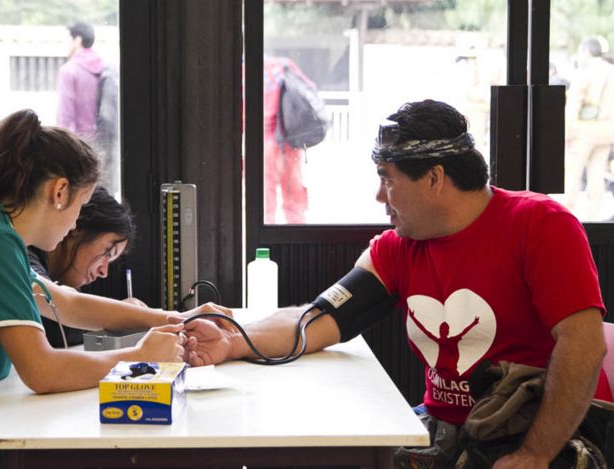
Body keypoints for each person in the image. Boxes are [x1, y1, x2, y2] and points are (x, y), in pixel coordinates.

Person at [185, 100, 608, 467]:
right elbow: (320, 318)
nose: (379, 196)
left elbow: (583, 345)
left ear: (434, 178)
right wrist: (233, 341)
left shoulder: (541, 226)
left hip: (534, 431)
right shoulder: (398, 247)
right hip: (441, 428)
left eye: (387, 179)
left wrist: (535, 454)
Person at [0, 109, 218, 468]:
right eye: (80, 207)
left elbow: (67, 303)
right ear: (59, 192)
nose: (77, 222)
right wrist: (139, 357)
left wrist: (175, 318)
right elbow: (42, 372)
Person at [28, 185, 145, 347]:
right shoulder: (21, 251)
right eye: (107, 253)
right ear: (78, 225)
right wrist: (125, 315)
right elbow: (54, 323)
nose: (104, 272)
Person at [56, 21, 119, 194]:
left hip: (81, 146)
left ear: (77, 40)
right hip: (105, 142)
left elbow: (64, 116)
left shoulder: (70, 70)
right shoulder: (105, 67)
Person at [564, 36, 614, 221]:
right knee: (597, 174)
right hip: (608, 131)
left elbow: (574, 103)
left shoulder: (586, 71)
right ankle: (594, 216)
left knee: (573, 174)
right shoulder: (611, 70)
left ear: (586, 51)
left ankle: (567, 214)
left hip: (585, 131)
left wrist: (568, 131)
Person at [263, 55, 310, 224]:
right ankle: (299, 240)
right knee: (294, 198)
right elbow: (309, 90)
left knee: (266, 201)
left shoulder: (245, 69)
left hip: (265, 143)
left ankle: (266, 244)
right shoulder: (285, 65)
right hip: (291, 141)